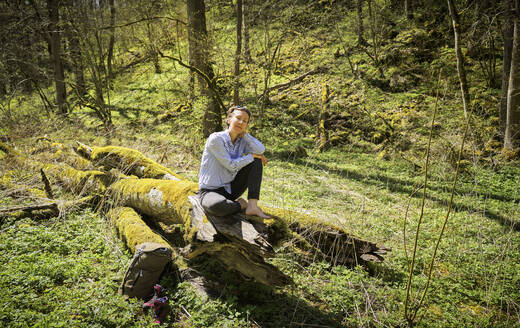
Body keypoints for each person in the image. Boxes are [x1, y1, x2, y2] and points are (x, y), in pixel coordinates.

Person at [198, 105, 270, 218]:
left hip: (231, 189)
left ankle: (252, 206)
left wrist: (245, 135)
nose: (241, 122)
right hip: (210, 191)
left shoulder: (242, 141)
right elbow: (231, 165)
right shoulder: (216, 139)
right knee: (216, 206)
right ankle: (240, 204)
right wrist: (251, 155)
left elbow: (260, 150)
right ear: (229, 119)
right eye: (238, 118)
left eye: (245, 121)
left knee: (256, 160)